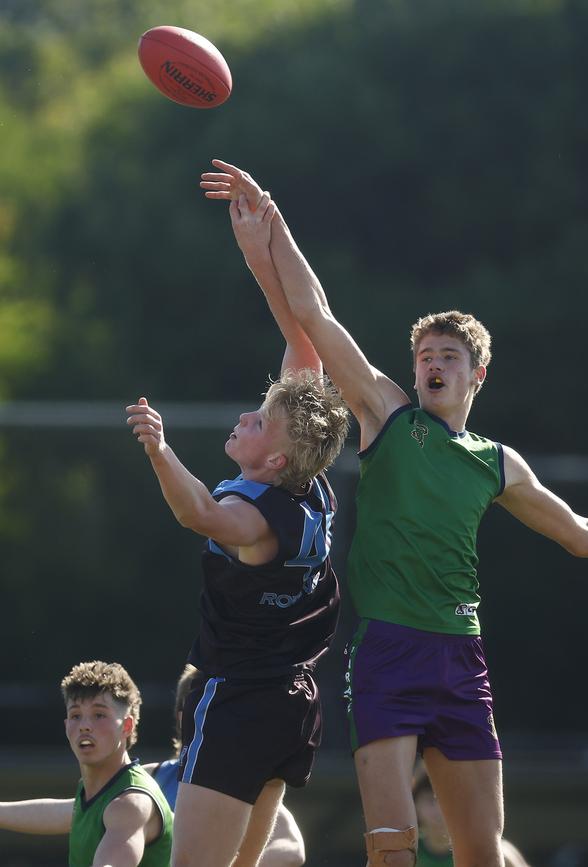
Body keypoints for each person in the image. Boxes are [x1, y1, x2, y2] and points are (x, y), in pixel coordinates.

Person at [199, 159, 588, 867]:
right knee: (394, 846)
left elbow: (583, 535)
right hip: (388, 652)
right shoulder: (388, 416)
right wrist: (275, 226)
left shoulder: (497, 462)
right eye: (425, 355)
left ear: (477, 374)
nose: (433, 364)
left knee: (480, 849)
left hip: (461, 656)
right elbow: (316, 316)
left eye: (449, 355)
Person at [126, 192, 349, 867]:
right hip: (295, 703)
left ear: (275, 457)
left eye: (261, 421)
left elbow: (198, 512)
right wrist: (261, 251)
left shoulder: (256, 519)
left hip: (241, 700)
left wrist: (159, 450)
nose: (249, 418)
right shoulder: (303, 479)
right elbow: (303, 342)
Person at [0, 660, 173, 867]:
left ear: (127, 726)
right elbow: (62, 813)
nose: (84, 726)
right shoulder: (99, 794)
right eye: (75, 716)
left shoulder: (130, 804)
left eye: (99, 715)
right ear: (66, 726)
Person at [144, 663, 306, 866]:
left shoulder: (240, 784)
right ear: (182, 717)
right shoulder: (148, 778)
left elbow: (292, 848)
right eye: (206, 708)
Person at [412, 765, 531, 867]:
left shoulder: (496, 853)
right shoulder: (407, 853)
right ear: (414, 804)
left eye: (446, 800)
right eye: (429, 801)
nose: (438, 810)